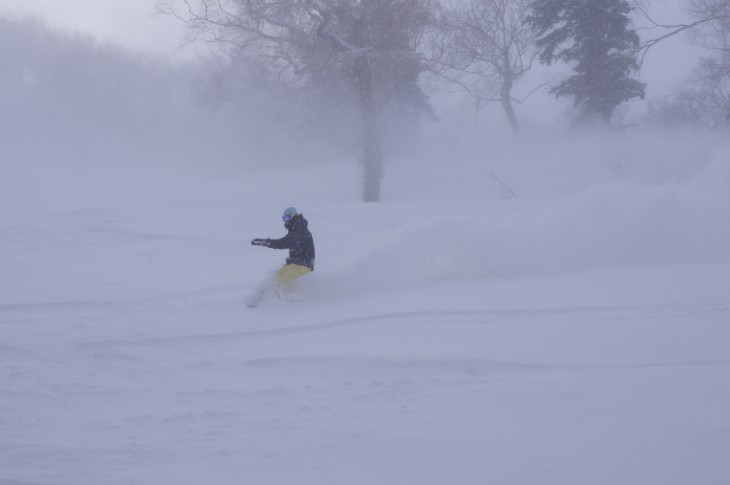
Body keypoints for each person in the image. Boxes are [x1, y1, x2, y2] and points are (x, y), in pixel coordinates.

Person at [251, 207, 315, 289]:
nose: (286, 221)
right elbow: (286, 241)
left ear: (293, 216)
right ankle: (284, 295)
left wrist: (267, 242)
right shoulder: (296, 228)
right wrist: (266, 242)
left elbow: (285, 243)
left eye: (287, 217)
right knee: (275, 277)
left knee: (278, 279)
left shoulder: (299, 228)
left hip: (303, 264)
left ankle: (278, 298)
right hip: (297, 263)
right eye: (284, 218)